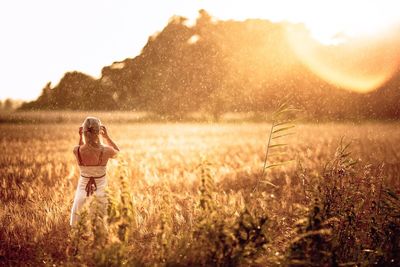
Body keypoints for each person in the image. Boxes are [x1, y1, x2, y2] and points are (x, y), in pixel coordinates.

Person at [70, 117, 120, 226]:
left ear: (83, 132)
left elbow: (80, 147)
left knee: (78, 226)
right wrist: (107, 137)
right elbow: (118, 155)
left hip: (81, 194)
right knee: (101, 225)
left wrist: (80, 137)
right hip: (101, 193)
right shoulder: (106, 150)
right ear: (99, 132)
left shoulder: (76, 150)